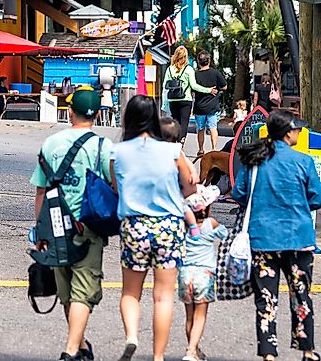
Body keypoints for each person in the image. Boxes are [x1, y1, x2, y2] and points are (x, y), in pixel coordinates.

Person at [232, 109, 321, 361]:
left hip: (263, 238)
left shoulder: (254, 160)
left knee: (266, 298)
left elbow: (239, 193)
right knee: (301, 294)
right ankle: (307, 349)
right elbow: (316, 198)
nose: (300, 132)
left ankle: (268, 353)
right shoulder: (303, 161)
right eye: (297, 128)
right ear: (287, 133)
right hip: (298, 238)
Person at [111, 95, 197, 361]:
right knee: (163, 297)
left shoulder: (118, 152)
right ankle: (158, 357)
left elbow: (116, 187)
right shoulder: (172, 151)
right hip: (169, 226)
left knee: (130, 292)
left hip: (134, 225)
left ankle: (132, 336)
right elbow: (191, 185)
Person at [30, 88, 114, 361]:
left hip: (54, 226)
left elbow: (41, 190)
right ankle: (70, 351)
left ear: (69, 112)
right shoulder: (102, 146)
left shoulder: (51, 144)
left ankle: (80, 346)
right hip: (88, 226)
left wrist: (40, 232)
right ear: (98, 115)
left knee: (67, 293)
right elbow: (112, 186)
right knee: (83, 292)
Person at [178, 185, 229, 361]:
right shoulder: (211, 223)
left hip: (185, 273)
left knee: (189, 317)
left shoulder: (182, 226)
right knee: (200, 315)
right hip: (204, 274)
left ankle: (194, 350)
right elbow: (225, 235)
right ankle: (191, 350)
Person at [158, 117, 202, 237]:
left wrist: (193, 173)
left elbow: (189, 164)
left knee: (185, 207)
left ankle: (193, 226)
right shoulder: (174, 150)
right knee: (184, 206)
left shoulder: (176, 150)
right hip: (173, 188)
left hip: (175, 185)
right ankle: (194, 224)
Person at [162, 47, 216, 143]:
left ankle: (174, 141)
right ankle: (181, 142)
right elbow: (194, 86)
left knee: (176, 122)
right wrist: (208, 90)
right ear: (185, 57)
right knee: (184, 123)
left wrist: (164, 104)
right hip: (185, 99)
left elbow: (165, 86)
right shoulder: (188, 69)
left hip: (172, 100)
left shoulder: (169, 69)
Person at [191, 52, 226, 157]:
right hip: (212, 106)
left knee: (200, 129)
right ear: (209, 61)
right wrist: (216, 89)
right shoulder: (215, 73)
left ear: (198, 62)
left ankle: (201, 150)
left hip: (199, 106)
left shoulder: (195, 75)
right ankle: (214, 149)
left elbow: (192, 88)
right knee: (213, 128)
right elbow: (224, 86)